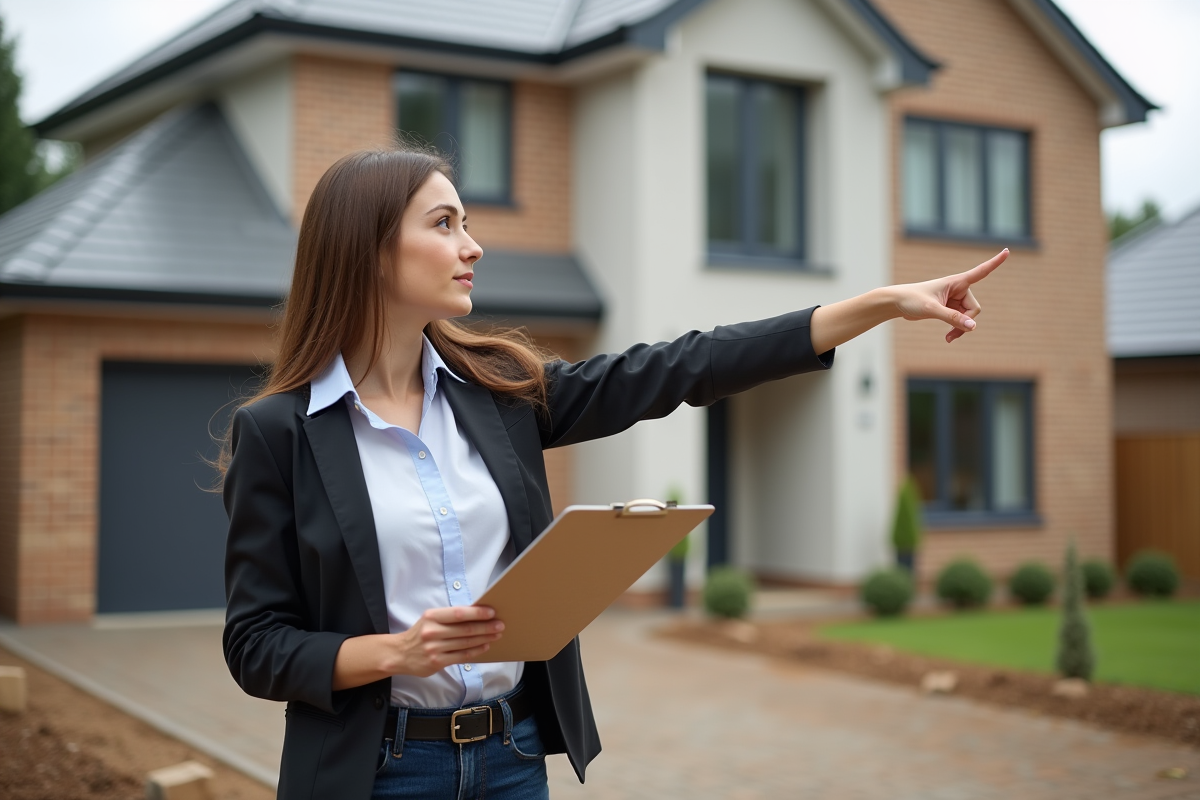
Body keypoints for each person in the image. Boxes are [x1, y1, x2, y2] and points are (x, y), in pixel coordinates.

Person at [220, 145, 1006, 800]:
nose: (473, 245)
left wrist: (878, 305)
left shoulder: (502, 393)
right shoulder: (279, 433)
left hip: (511, 761)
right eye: (445, 223)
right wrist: (395, 652)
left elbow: (679, 367)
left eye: (468, 222)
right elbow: (256, 645)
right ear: (371, 248)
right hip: (373, 775)